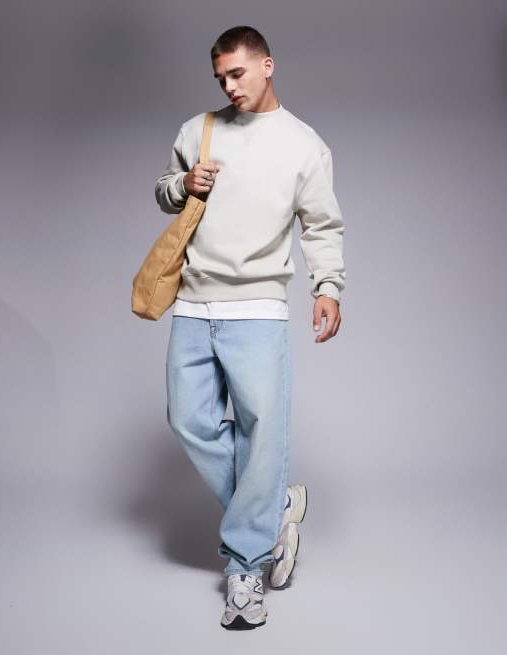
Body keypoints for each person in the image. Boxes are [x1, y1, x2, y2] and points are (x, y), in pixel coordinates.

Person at [155, 25, 346, 630]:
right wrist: (183, 184)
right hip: (193, 301)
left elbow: (322, 225)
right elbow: (163, 190)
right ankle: (275, 503)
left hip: (259, 305)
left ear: (267, 65)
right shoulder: (199, 130)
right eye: (220, 78)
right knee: (187, 420)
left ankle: (246, 565)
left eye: (237, 73)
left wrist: (327, 287)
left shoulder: (303, 145)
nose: (229, 87)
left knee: (262, 432)